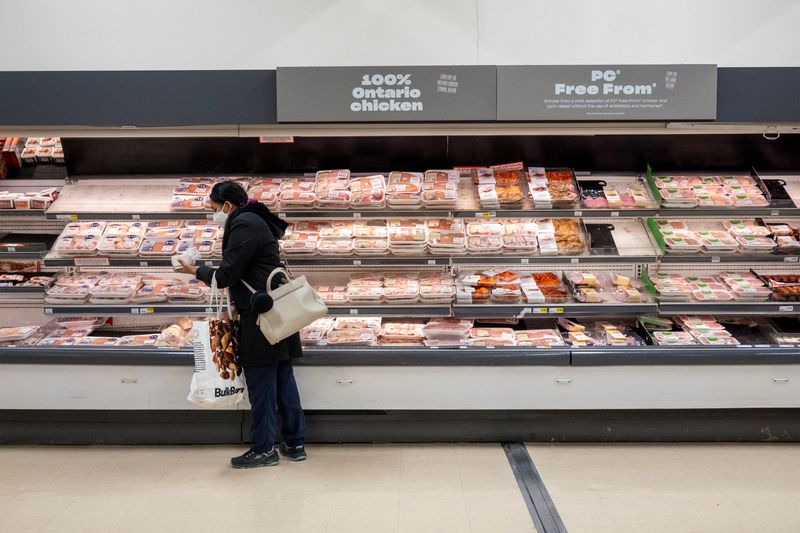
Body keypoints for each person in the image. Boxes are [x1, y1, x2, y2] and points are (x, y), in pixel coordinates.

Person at [176, 181, 307, 468]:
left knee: (262, 385)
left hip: (262, 317)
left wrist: (193, 270)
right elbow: (251, 270)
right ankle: (295, 443)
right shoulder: (256, 219)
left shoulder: (245, 223)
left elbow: (226, 274)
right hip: (275, 310)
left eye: (213, 209)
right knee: (283, 380)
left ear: (227, 205)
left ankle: (263, 449)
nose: (214, 215)